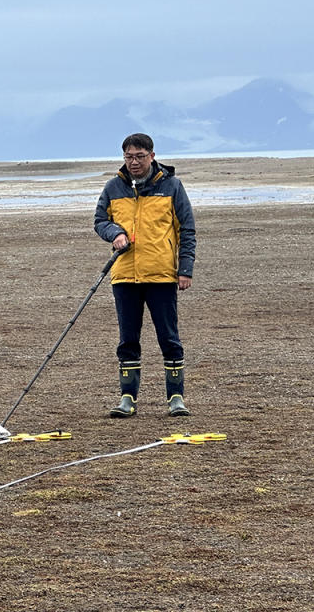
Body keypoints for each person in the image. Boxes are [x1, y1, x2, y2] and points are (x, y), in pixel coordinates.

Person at [93, 133, 196, 417]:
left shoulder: (172, 187)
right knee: (128, 340)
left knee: (169, 338)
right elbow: (100, 221)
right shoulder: (114, 187)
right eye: (129, 157)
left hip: (162, 275)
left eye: (139, 156)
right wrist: (116, 234)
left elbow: (187, 230)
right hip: (125, 276)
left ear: (152, 155)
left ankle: (176, 398)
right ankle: (127, 398)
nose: (134, 162)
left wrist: (184, 270)